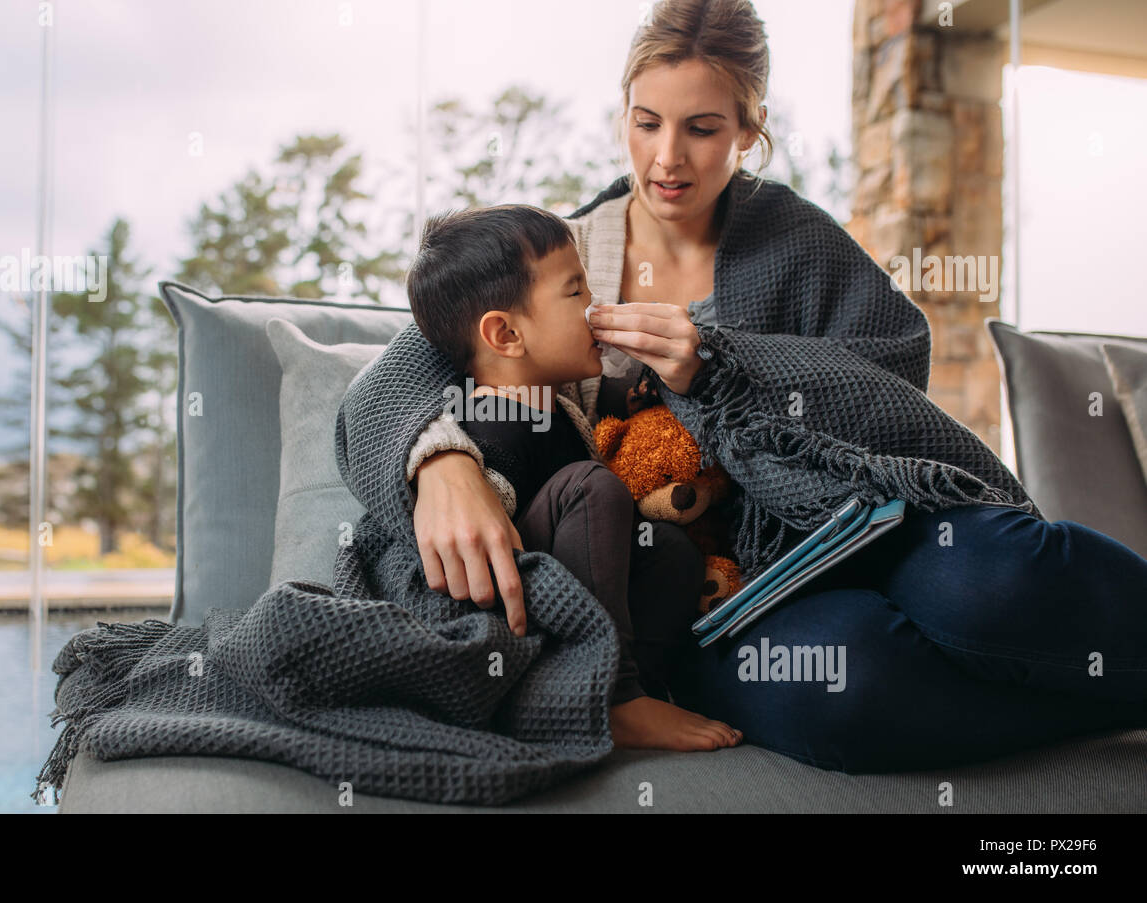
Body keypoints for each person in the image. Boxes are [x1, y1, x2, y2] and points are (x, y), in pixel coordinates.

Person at [338, 0, 1147, 772]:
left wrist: (720, 364)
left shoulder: (798, 242)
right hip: (714, 599)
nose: (666, 159)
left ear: (750, 132)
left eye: (702, 129)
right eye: (646, 122)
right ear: (622, 111)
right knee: (848, 679)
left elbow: (892, 377)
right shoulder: (562, 254)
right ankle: (1103, 714)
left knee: (996, 582)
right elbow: (395, 379)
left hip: (862, 523)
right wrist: (437, 462)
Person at [406, 203, 743, 750]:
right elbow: (481, 539)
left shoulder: (558, 406)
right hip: (514, 609)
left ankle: (648, 684)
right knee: (592, 484)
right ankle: (613, 695)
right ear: (506, 335)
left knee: (670, 548)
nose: (596, 307)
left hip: (582, 595)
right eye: (576, 292)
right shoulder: (486, 422)